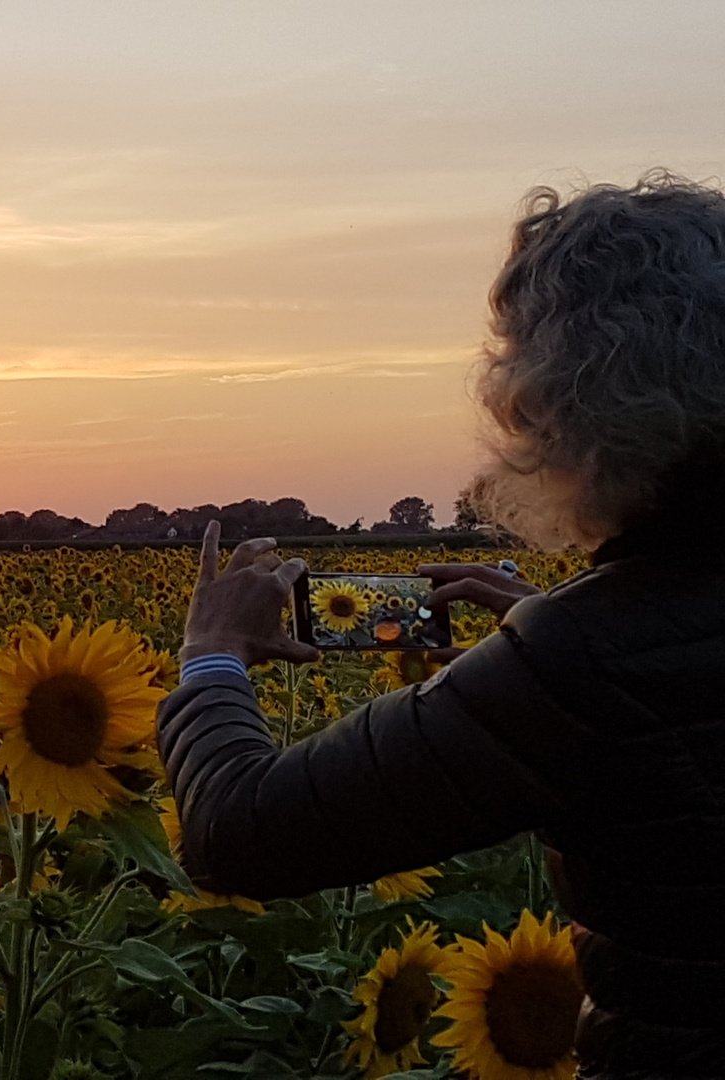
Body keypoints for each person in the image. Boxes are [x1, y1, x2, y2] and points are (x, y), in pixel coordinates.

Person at [157, 172, 725, 1080]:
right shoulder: (586, 655)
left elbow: (240, 831)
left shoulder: (576, 666)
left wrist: (212, 657)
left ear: (557, 406)